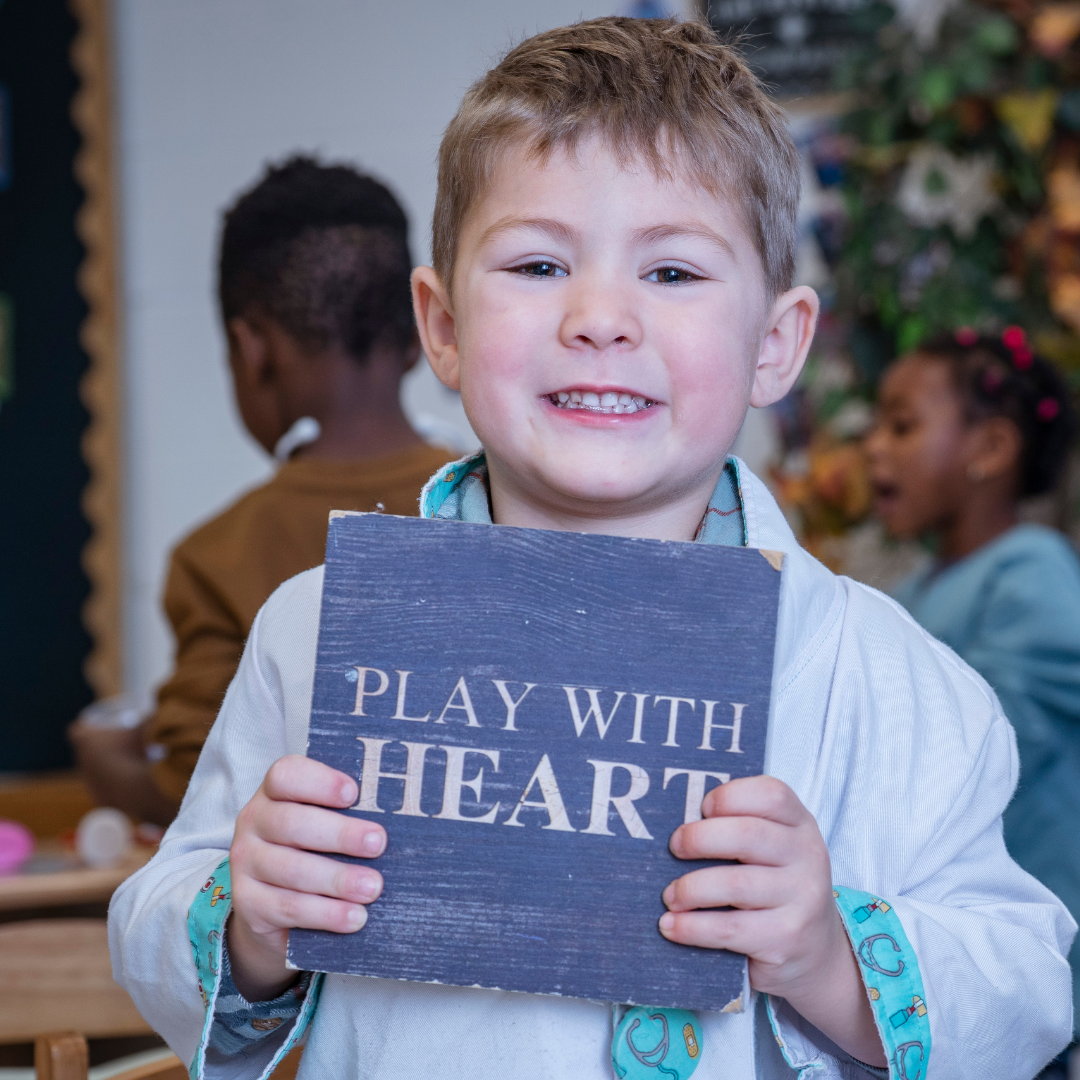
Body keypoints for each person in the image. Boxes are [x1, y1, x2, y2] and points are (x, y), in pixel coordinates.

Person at [109, 19, 1075, 1080]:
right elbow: (156, 920)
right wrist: (251, 919)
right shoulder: (316, 634)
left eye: (673, 271)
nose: (600, 317)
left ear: (775, 343)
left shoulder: (890, 681)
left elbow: (1028, 986)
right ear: (443, 326)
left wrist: (827, 956)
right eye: (537, 263)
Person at [70, 158, 453, 825]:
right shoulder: (507, 500)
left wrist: (106, 766)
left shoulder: (216, 556)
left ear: (251, 349)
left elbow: (202, 792)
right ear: (419, 334)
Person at [866, 327, 1080, 1065]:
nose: (873, 448)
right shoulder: (906, 593)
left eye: (902, 426)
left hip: (1016, 968)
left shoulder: (1032, 569)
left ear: (989, 449)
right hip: (936, 955)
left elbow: (995, 746)